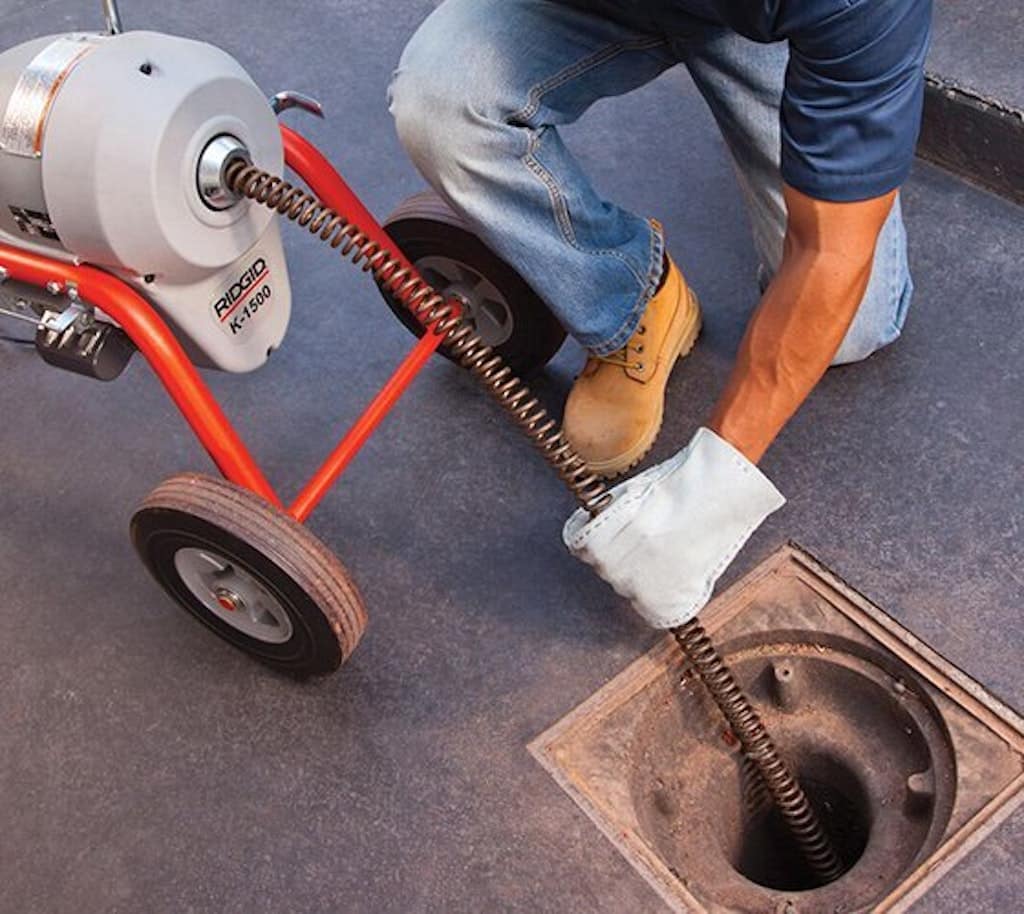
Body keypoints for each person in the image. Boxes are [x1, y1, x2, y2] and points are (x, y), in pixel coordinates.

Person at [389, 0, 932, 630]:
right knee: (443, 103)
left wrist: (708, 493)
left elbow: (830, 250)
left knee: (851, 325)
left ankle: (787, 120)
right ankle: (631, 298)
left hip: (768, 31)